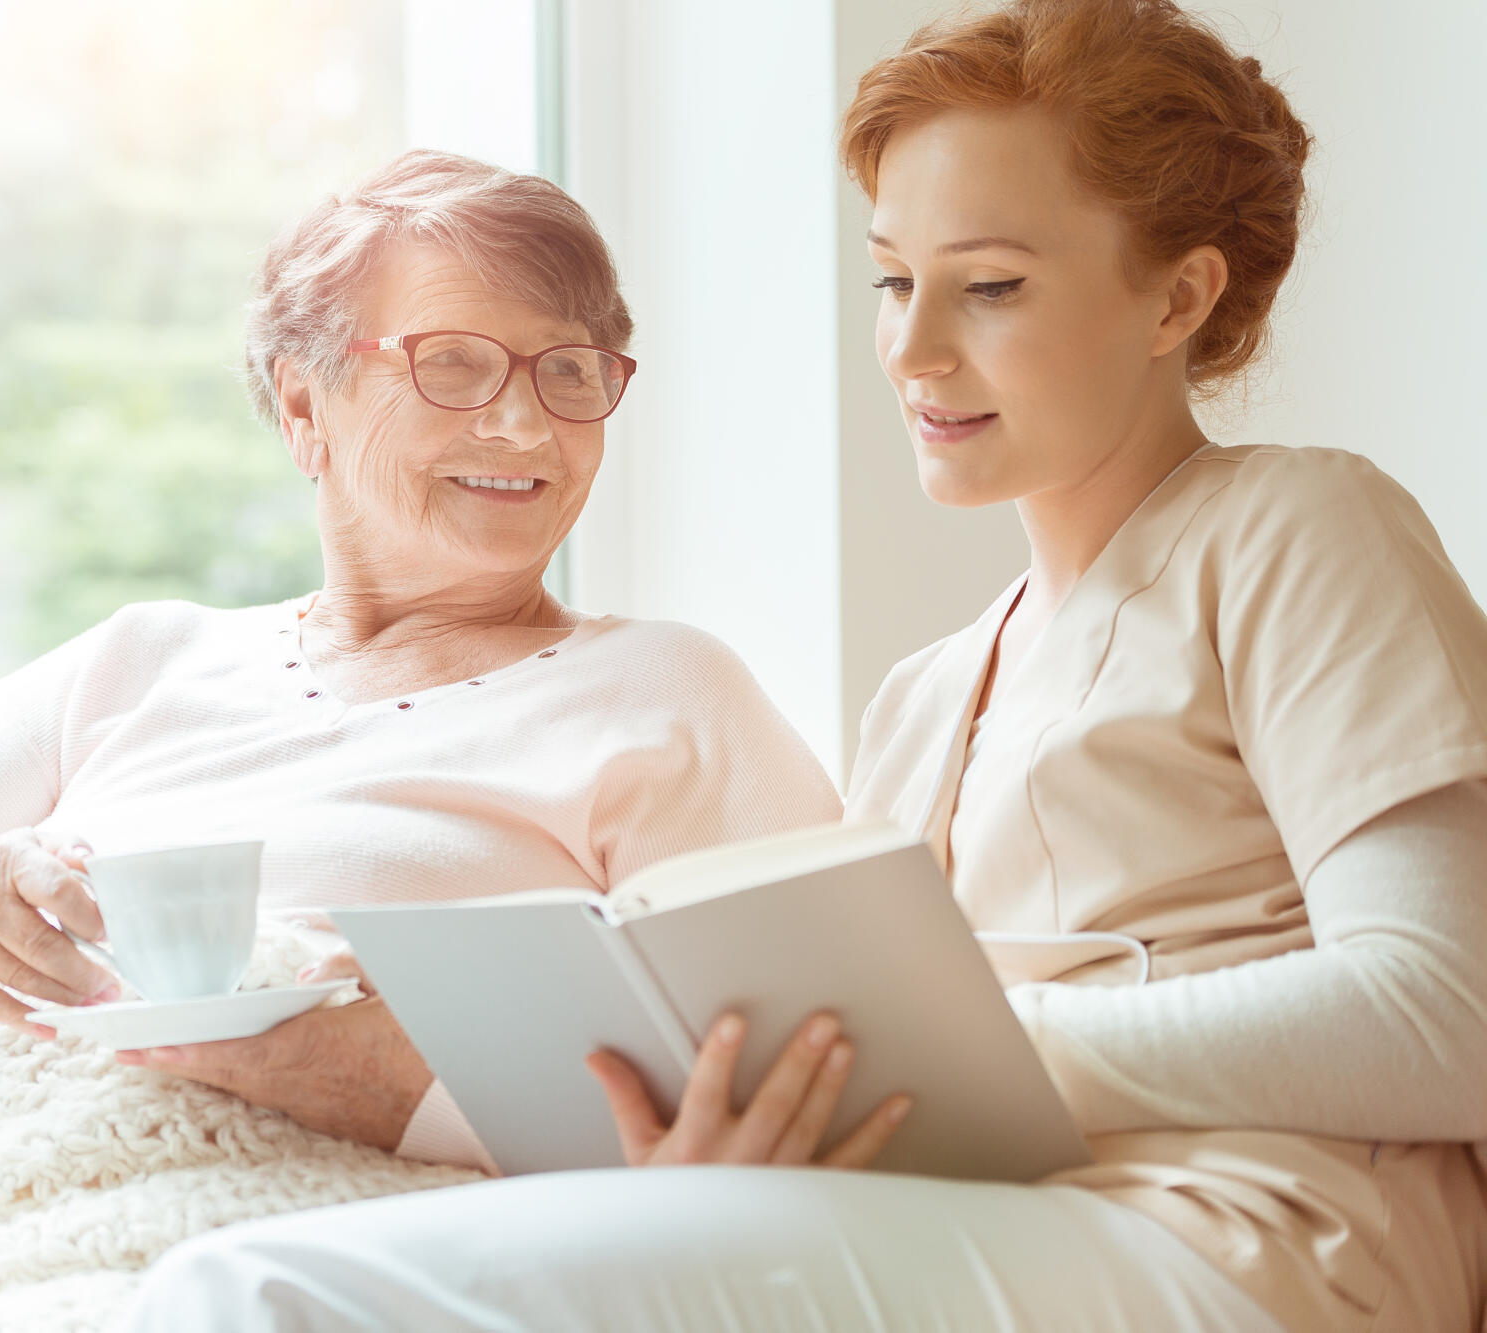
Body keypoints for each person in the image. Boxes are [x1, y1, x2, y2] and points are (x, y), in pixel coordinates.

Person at [115, 2, 1487, 1329]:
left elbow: (1448, 1012)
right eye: (896, 280)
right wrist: (743, 1134)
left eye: (991, 286)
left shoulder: (1297, 527)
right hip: (994, 1230)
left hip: (1250, 1250)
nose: (914, 347)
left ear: (1179, 294)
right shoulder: (924, 698)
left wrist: (970, 1053)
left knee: (245, 1293)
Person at [0, 149, 875, 1167]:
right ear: (302, 404)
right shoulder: (144, 661)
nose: (525, 426)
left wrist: (385, 1087)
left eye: (567, 371)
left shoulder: (664, 695)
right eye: (454, 365)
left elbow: (821, 1075)